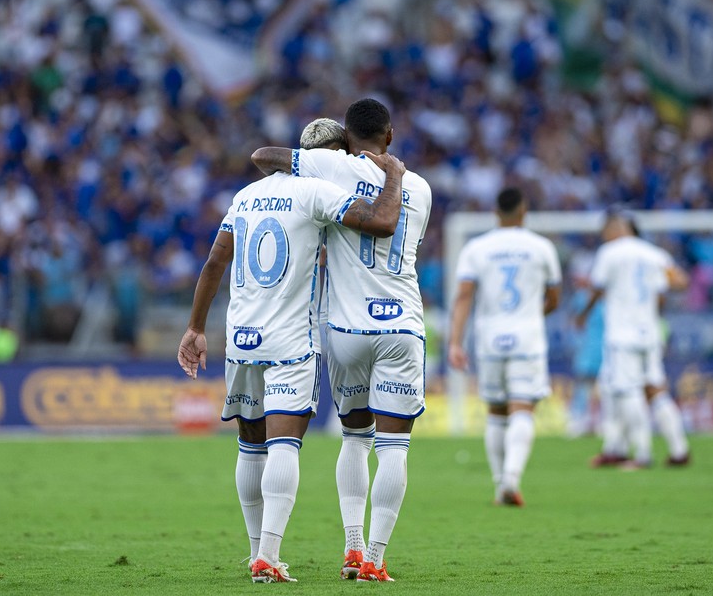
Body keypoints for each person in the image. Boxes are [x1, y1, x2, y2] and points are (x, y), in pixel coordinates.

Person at [177, 148, 406, 584]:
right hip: (289, 341)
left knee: (249, 446)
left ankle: (255, 554)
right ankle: (268, 554)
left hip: (242, 336)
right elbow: (379, 222)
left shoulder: (245, 195)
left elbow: (213, 263)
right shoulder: (317, 191)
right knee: (283, 445)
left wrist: (195, 327)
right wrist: (394, 176)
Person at [251, 99, 432, 582]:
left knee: (355, 437)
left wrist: (317, 161)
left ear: (348, 138)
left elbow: (264, 156)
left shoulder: (331, 167)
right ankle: (373, 558)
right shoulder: (420, 187)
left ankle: (351, 547)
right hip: (402, 327)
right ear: (389, 136)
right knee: (394, 448)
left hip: (347, 330)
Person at [447, 187, 561, 506]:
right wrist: (532, 315)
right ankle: (512, 478)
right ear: (524, 211)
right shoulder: (542, 247)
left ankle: (500, 486)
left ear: (495, 213)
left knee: (497, 411)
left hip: (489, 338)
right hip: (527, 336)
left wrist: (456, 342)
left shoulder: (477, 248)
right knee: (522, 407)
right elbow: (554, 298)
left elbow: (464, 297)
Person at [576, 211, 691, 469]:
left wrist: (583, 314)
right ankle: (677, 450)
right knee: (651, 387)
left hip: (622, 335)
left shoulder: (610, 252)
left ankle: (642, 454)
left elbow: (597, 288)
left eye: (606, 230)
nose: (604, 235)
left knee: (626, 390)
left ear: (617, 228)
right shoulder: (654, 254)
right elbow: (680, 282)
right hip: (650, 332)